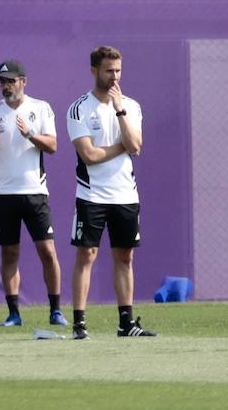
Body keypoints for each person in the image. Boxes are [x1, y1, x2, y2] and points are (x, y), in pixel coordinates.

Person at [66, 45, 155, 338]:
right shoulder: (79, 108)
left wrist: (119, 111)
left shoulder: (131, 105)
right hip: (92, 195)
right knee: (87, 254)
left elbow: (137, 145)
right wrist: (123, 147)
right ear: (94, 71)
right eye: (108, 70)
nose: (114, 76)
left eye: (118, 70)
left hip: (125, 195)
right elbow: (89, 155)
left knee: (125, 257)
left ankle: (126, 323)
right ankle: (79, 323)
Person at [0, 59, 66, 327]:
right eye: (2, 82)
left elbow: (52, 145)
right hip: (4, 194)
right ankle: (14, 313)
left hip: (35, 192)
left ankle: (56, 310)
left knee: (47, 252)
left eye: (11, 81)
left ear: (23, 81)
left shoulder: (40, 108)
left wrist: (29, 134)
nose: (5, 86)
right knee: (9, 253)